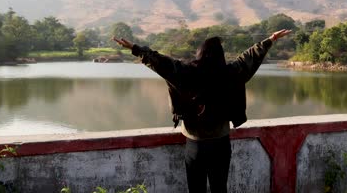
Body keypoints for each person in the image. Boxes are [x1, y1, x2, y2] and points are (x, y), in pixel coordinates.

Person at [113, 28, 292, 193]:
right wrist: (270, 40)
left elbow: (160, 62)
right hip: (221, 143)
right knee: (219, 188)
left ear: (200, 53)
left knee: (196, 189)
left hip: (195, 145)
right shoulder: (230, 73)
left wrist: (135, 48)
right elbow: (249, 58)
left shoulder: (185, 72)